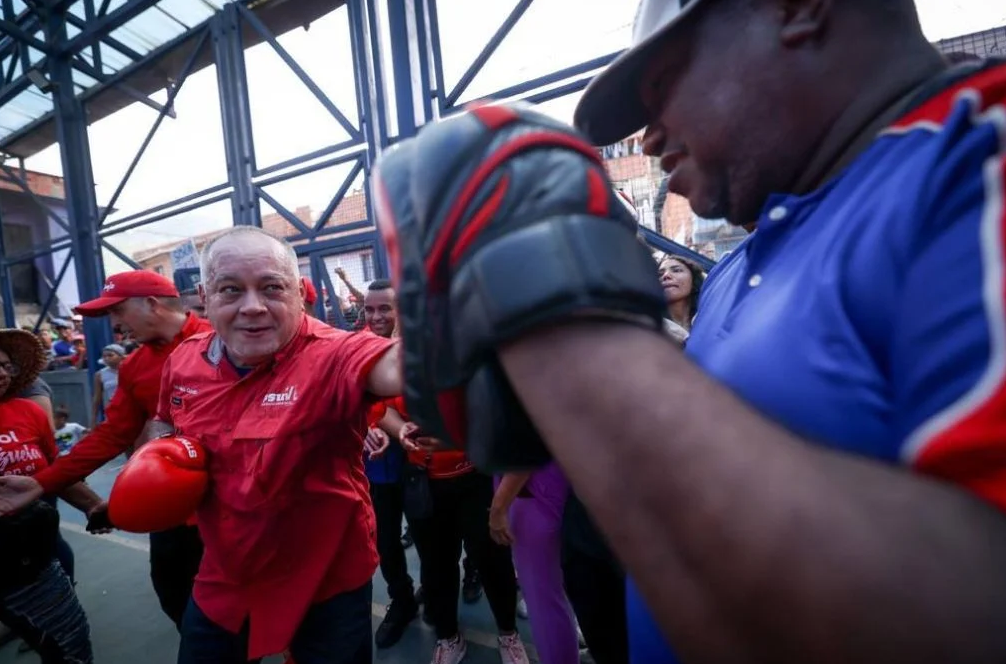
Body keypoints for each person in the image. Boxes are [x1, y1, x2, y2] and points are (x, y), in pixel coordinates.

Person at [372, 16, 1006, 658]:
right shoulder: (742, 260)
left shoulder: (976, 170)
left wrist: (567, 330)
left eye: (663, 82)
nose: (648, 140)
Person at [151, 226, 404, 664]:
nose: (253, 307)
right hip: (227, 572)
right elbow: (163, 420)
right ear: (203, 297)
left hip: (328, 574)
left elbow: (398, 366)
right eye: (231, 290)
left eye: (272, 288)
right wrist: (159, 459)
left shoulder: (333, 352)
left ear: (297, 293)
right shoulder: (184, 360)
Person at [0, 269, 213, 631]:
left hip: (244, 502)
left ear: (151, 304)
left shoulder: (225, 338)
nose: (116, 326)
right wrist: (42, 483)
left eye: (117, 312)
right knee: (175, 593)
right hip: (175, 508)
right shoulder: (135, 367)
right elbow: (113, 434)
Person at [0, 328, 106, 664]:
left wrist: (93, 505)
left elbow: (51, 471)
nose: (2, 373)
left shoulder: (27, 411)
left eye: (5, 365)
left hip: (29, 559)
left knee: (69, 645)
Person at [359, 279, 420, 649]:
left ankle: (461, 579)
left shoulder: (422, 347)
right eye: (369, 309)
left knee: (434, 534)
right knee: (385, 539)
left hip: (423, 462)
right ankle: (403, 600)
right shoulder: (354, 348)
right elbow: (355, 400)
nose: (376, 316)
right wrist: (368, 425)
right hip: (379, 469)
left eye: (385, 308)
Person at [491, 465, 579, 664]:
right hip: (549, 485)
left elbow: (523, 455)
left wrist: (498, 508)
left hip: (533, 492)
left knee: (543, 601)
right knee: (555, 591)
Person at [91, 343, 125, 424]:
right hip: (114, 409)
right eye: (104, 356)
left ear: (120, 356)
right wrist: (93, 420)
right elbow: (97, 398)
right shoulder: (100, 374)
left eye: (110, 355)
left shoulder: (130, 369)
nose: (107, 358)